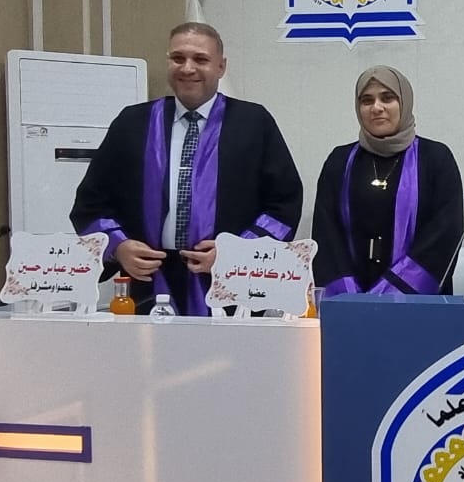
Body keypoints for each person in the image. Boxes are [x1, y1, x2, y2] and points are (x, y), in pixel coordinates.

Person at [71, 22, 304, 315]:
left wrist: (239, 253)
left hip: (231, 287)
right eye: (178, 58)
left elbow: (284, 203)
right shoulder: (132, 123)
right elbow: (90, 203)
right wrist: (118, 247)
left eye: (200, 59)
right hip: (147, 285)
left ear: (221, 66)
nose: (188, 68)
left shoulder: (253, 124)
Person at [312, 65, 463, 295]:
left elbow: (444, 235)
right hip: (350, 303)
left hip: (417, 303)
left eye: (387, 98)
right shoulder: (339, 161)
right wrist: (350, 299)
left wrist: (390, 294)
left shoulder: (435, 159)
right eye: (367, 100)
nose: (376, 108)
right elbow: (327, 236)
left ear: (404, 102)